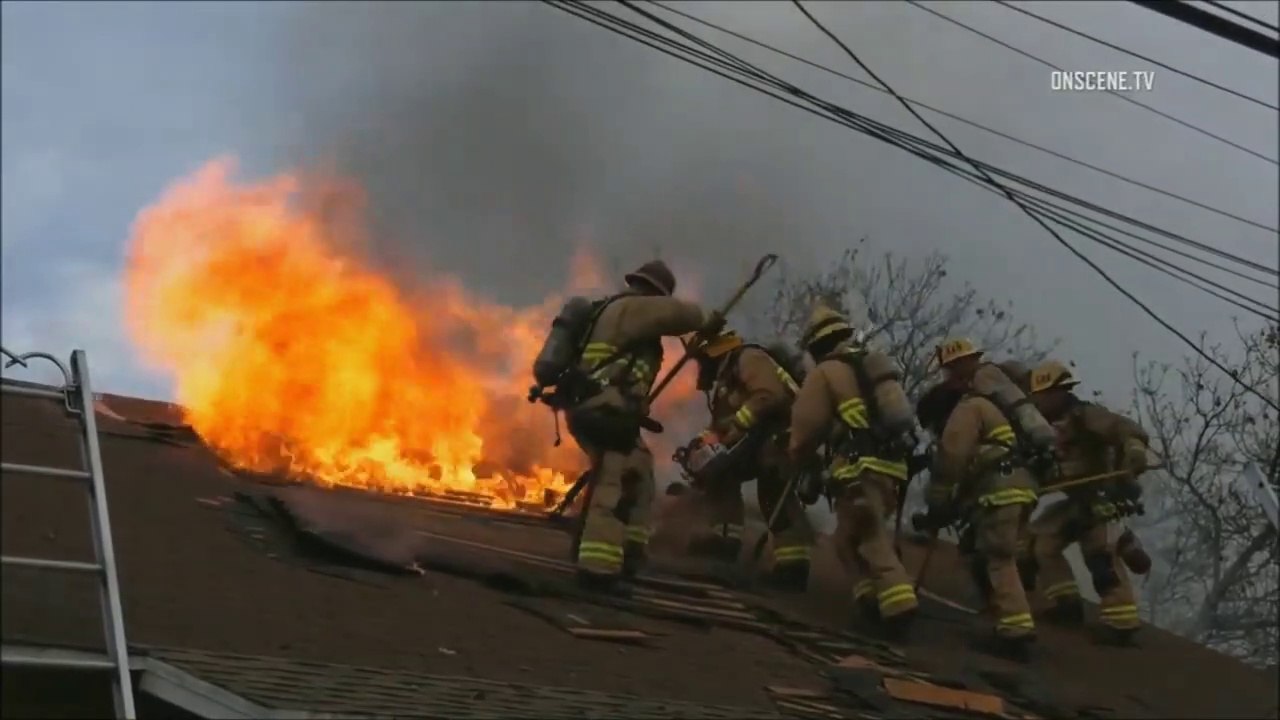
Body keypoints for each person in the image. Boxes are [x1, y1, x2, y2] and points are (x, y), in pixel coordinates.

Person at [563, 260, 718, 592]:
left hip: (610, 410)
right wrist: (706, 320)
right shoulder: (632, 308)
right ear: (654, 294)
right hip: (603, 409)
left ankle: (630, 552)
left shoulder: (624, 316)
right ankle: (597, 570)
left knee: (641, 473)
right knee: (614, 482)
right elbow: (682, 315)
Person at [788, 305, 919, 632]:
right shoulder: (870, 368)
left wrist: (798, 458)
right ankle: (869, 602)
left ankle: (900, 610)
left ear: (816, 346)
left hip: (859, 471)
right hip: (891, 469)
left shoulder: (826, 372)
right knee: (845, 540)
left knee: (870, 537)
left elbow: (805, 428)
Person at [920, 338, 1045, 658]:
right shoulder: (1005, 410)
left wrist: (937, 501)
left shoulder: (970, 407)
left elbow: (951, 458)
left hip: (1001, 489)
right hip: (1023, 487)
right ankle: (1000, 617)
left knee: (997, 556)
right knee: (982, 550)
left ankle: (1015, 631)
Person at [1025, 360, 1153, 644]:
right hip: (1073, 500)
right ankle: (1066, 605)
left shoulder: (1086, 416)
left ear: (1059, 392)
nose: (1039, 402)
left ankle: (1122, 624)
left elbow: (1123, 427)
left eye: (1043, 395)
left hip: (1101, 499)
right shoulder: (1042, 426)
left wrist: (1134, 449)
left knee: (1100, 555)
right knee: (1043, 545)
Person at [682, 329, 815, 590]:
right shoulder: (726, 378)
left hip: (779, 438)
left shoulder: (748, 358)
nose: (700, 367)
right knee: (720, 475)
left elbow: (769, 395)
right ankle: (724, 542)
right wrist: (703, 447)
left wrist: (739, 424)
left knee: (774, 493)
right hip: (755, 442)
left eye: (700, 360)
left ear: (711, 352)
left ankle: (794, 567)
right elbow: (722, 424)